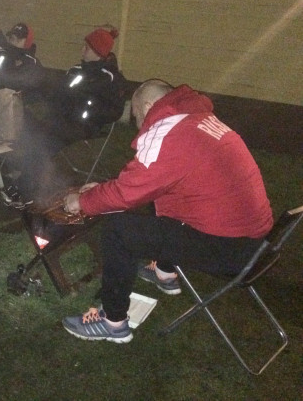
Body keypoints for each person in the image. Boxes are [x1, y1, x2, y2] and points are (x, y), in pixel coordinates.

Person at [60, 79, 273, 343]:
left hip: (230, 251)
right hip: (258, 243)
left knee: (118, 230)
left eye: (136, 115)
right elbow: (149, 180)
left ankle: (113, 322)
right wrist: (104, 189)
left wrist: (83, 201)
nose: (137, 123)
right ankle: (165, 272)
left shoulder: (169, 130)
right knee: (164, 195)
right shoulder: (197, 119)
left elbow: (127, 193)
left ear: (148, 106)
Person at [2, 26, 126, 208]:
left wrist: (85, 109)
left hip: (85, 126)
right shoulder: (76, 70)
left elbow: (113, 110)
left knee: (44, 141)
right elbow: (58, 93)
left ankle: (25, 191)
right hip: (62, 120)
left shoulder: (110, 78)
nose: (82, 50)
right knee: (26, 124)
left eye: (87, 47)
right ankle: (21, 172)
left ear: (98, 52)